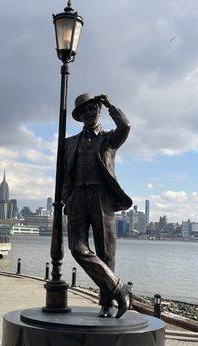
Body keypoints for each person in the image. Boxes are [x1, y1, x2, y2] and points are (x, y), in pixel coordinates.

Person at [62, 93, 133, 318]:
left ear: (99, 111)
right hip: (77, 197)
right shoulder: (70, 143)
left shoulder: (109, 139)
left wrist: (111, 105)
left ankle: (107, 303)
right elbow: (64, 174)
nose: (89, 113)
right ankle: (118, 287)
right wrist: (67, 198)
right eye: (84, 111)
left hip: (102, 196)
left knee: (105, 251)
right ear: (79, 117)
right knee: (77, 247)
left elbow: (126, 126)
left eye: (93, 109)